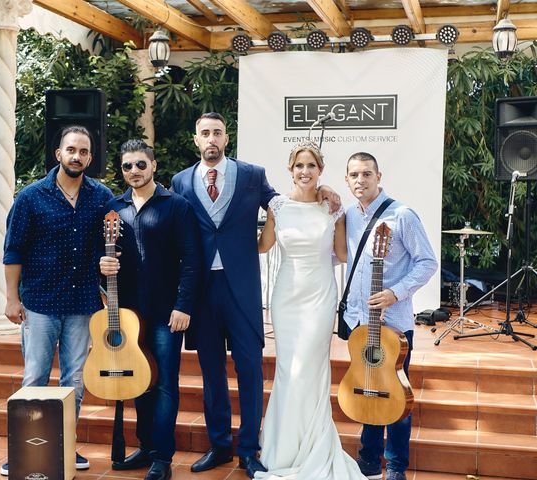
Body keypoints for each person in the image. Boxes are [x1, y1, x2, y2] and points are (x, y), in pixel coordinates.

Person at [171, 113, 341, 479]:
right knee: (211, 371)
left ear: (226, 137)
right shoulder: (180, 182)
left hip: (243, 287)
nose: (211, 139)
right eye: (205, 133)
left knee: (249, 369)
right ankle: (218, 445)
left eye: (217, 132)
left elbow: (287, 204)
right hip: (202, 290)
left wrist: (323, 192)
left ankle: (248, 448)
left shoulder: (251, 175)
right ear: (195, 139)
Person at [1, 125, 116, 476]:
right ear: (59, 154)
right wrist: (11, 298)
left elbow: (109, 243)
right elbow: (13, 251)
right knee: (34, 377)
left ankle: (66, 445)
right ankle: (22, 451)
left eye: (83, 152)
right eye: (71, 150)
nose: (77, 156)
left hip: (83, 304)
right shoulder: (31, 197)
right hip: (40, 302)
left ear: (90, 158)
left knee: (75, 382)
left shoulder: (101, 196)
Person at [255, 142, 367, 480]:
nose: (305, 172)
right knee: (289, 370)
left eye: (312, 166)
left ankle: (314, 444)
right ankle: (283, 447)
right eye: (299, 166)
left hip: (320, 295)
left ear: (320, 171)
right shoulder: (277, 206)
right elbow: (263, 245)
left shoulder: (334, 209)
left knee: (309, 368)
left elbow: (342, 254)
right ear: (290, 171)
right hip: (286, 296)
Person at [100, 139, 201, 480]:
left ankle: (162, 457)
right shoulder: (113, 208)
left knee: (164, 384)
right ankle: (145, 448)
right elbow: (97, 259)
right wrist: (102, 267)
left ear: (154, 166)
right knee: (138, 382)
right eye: (127, 166)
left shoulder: (177, 206)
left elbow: (192, 260)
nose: (134, 172)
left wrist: (183, 305)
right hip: (128, 314)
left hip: (165, 312)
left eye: (140, 165)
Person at [343, 152, 437, 480]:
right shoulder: (347, 216)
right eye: (354, 175)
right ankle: (368, 458)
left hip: (394, 324)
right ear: (346, 179)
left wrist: (395, 292)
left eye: (367, 174)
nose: (360, 180)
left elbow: (427, 262)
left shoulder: (402, 215)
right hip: (360, 322)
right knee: (367, 387)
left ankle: (396, 465)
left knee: (397, 398)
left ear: (379, 176)